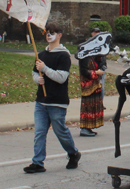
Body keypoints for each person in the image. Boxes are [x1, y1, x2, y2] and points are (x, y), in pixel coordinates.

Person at [23, 23, 81, 173]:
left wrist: (45, 69)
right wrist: (37, 79)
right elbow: (34, 72)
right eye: (47, 33)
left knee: (60, 130)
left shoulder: (63, 55)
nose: (49, 35)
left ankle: (73, 153)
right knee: (39, 132)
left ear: (60, 35)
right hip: (41, 100)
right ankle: (38, 162)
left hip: (57, 101)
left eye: (53, 32)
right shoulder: (41, 55)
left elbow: (61, 77)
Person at [78, 28, 106, 137]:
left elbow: (99, 63)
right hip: (88, 85)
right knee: (88, 107)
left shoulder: (94, 54)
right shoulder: (84, 55)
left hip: (94, 84)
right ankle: (85, 128)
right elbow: (84, 71)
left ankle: (89, 128)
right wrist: (96, 73)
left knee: (93, 106)